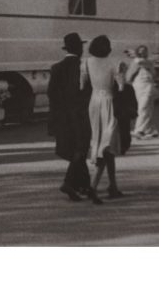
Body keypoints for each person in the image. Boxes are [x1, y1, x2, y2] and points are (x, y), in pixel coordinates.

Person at [81, 35, 125, 204]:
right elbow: (121, 87)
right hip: (108, 102)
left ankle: (112, 186)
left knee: (102, 142)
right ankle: (93, 186)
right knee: (106, 146)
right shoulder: (113, 62)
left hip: (94, 103)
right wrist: (122, 73)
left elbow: (81, 85)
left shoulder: (86, 62)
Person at [47, 32, 91, 202]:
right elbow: (87, 91)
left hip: (62, 116)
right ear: (79, 48)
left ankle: (84, 185)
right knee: (81, 148)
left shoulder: (56, 68)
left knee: (74, 149)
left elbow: (51, 93)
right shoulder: (82, 67)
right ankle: (69, 182)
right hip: (80, 114)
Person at [126, 45, 159, 139]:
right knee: (146, 108)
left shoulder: (145, 62)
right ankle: (150, 130)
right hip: (138, 86)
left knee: (144, 107)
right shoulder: (139, 62)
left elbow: (142, 63)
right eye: (140, 51)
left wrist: (134, 56)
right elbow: (130, 74)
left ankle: (139, 130)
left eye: (144, 51)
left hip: (147, 86)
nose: (142, 52)